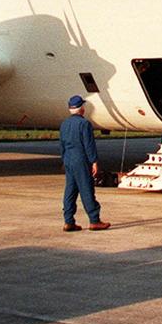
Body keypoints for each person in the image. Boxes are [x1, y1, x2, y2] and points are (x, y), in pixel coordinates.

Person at [59, 95, 110, 231]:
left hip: (68, 158)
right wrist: (94, 161)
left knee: (70, 190)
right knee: (86, 189)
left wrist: (64, 160)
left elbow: (62, 145)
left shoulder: (64, 124)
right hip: (80, 159)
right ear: (81, 109)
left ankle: (68, 221)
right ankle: (94, 220)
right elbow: (89, 145)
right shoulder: (84, 124)